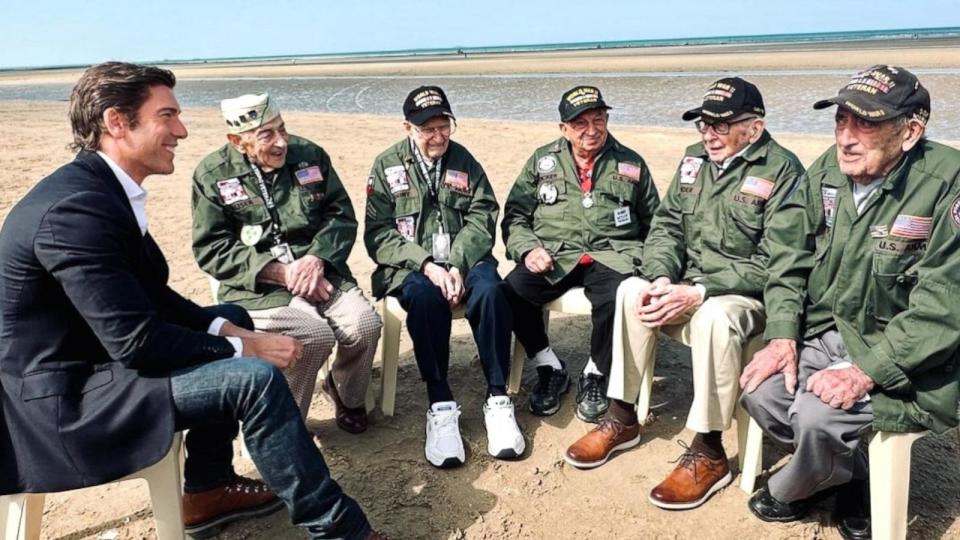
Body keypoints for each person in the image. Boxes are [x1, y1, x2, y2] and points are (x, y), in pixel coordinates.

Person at [0, 62, 385, 540]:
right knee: (255, 380)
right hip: (67, 397)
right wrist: (247, 350)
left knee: (230, 314)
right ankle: (341, 529)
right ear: (117, 123)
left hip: (95, 360)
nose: (181, 130)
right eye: (168, 116)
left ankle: (207, 488)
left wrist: (232, 331)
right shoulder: (76, 210)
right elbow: (137, 343)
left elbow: (154, 298)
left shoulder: (100, 190)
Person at [738, 65, 960, 540]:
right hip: (833, 329)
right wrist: (781, 334)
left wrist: (865, 372)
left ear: (910, 132)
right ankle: (848, 472)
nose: (847, 138)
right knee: (761, 390)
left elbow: (945, 307)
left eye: (866, 123)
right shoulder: (827, 169)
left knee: (819, 417)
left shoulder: (947, 183)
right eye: (841, 121)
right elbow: (787, 254)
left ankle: (801, 486)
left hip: (910, 354)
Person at [563, 78, 804, 511]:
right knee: (631, 290)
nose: (708, 134)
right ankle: (622, 415)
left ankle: (709, 449)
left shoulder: (783, 171)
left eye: (720, 125)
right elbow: (667, 226)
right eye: (702, 124)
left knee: (714, 317)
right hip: (687, 282)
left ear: (754, 126)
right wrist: (659, 276)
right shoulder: (694, 160)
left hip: (745, 294)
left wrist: (700, 291)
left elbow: (778, 262)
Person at [192, 93, 381, 434]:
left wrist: (317, 259)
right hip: (258, 286)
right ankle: (286, 423)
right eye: (267, 135)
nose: (281, 142)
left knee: (365, 324)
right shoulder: (212, 175)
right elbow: (212, 248)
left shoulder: (310, 155)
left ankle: (345, 393)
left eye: (283, 129)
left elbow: (340, 214)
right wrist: (280, 272)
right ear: (237, 141)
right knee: (313, 336)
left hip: (321, 271)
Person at [364, 86, 523, 467]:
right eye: (427, 130)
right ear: (408, 128)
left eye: (443, 127)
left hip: (464, 262)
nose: (438, 137)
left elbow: (483, 213)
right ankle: (440, 402)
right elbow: (378, 233)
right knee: (424, 298)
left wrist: (456, 263)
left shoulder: (464, 160)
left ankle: (498, 397)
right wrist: (427, 265)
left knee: (493, 291)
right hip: (411, 267)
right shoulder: (386, 166)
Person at [501, 85, 660, 422]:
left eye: (598, 120)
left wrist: (649, 265)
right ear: (564, 129)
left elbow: (655, 223)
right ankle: (548, 365)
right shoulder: (542, 161)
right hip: (557, 254)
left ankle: (596, 372)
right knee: (511, 290)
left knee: (617, 296)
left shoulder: (630, 162)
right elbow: (515, 215)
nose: (591, 130)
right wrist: (528, 249)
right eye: (580, 124)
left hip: (612, 254)